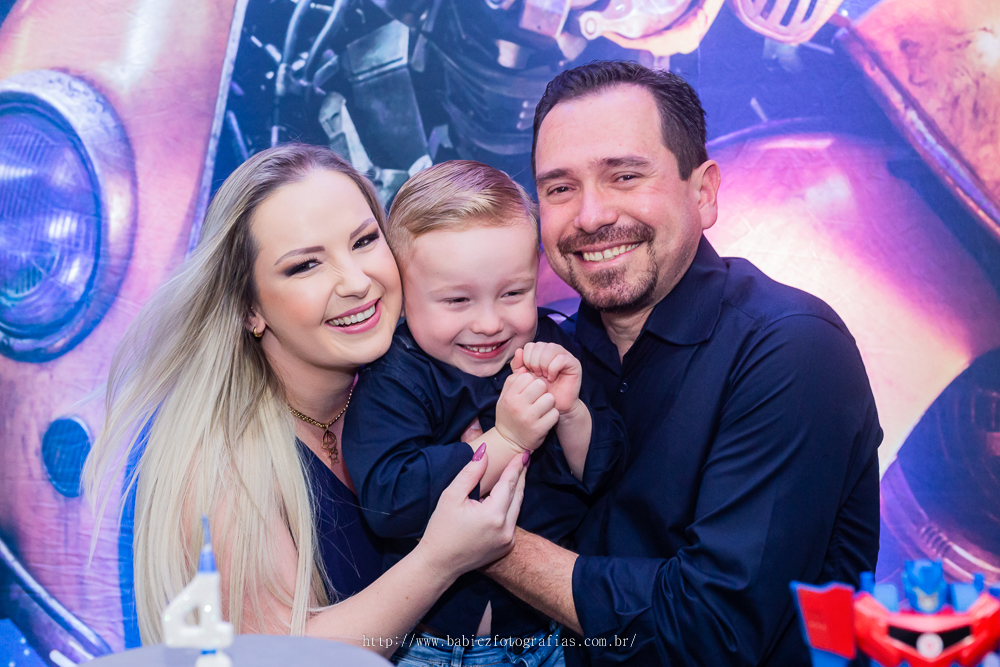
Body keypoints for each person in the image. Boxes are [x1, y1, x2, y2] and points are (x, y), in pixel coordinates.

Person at [480, 61, 882, 665]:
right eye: (560, 188)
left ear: (704, 192)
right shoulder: (540, 350)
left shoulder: (792, 348)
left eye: (624, 176)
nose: (590, 215)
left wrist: (483, 542)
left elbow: (711, 630)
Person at [83, 144, 527, 657]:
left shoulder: (417, 383)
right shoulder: (219, 461)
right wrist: (438, 560)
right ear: (249, 308)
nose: (356, 282)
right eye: (305, 265)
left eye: (364, 241)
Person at [342, 160, 625, 666]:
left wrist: (572, 414)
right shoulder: (396, 376)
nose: (491, 323)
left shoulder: (551, 347)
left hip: (547, 636)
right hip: (429, 646)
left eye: (513, 293)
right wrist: (507, 441)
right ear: (403, 296)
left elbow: (604, 472)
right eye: (457, 300)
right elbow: (390, 500)